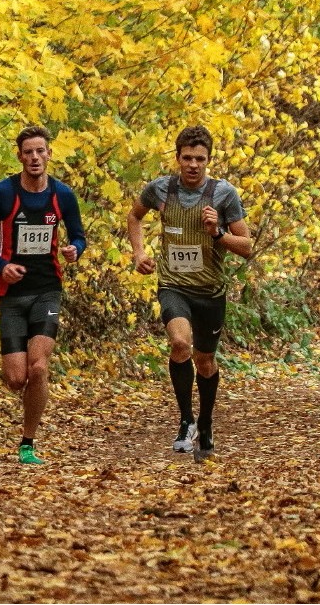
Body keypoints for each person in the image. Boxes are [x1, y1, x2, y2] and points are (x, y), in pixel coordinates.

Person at [127, 124, 252, 462]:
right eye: (187, 158)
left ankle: (207, 422)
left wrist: (217, 232)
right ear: (177, 157)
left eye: (200, 159)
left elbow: (247, 246)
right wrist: (139, 253)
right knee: (180, 344)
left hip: (210, 291)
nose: (193, 164)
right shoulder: (161, 189)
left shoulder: (224, 195)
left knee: (206, 361)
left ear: (209, 160)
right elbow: (135, 217)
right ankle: (186, 420)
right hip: (173, 284)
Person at [0, 125, 86, 464]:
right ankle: (26, 405)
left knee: (38, 368)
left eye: (40, 151)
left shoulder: (62, 195)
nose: (35, 157)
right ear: (19, 156)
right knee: (15, 378)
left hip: (47, 288)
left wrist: (74, 250)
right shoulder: (3, 193)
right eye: (28, 152)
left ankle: (27, 444)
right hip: (12, 293)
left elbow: (79, 236)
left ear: (49, 154)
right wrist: (0, 264)